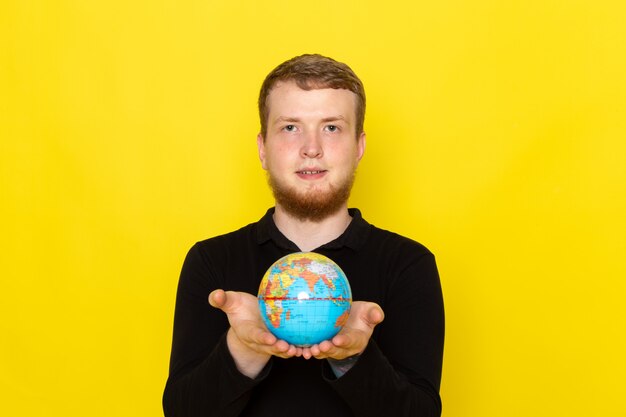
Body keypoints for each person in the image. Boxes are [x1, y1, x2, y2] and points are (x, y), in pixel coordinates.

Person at [163, 54, 445, 417]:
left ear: (359, 147)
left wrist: (355, 358)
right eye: (291, 127)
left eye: (331, 127)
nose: (311, 148)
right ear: (263, 148)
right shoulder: (212, 262)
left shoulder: (408, 265)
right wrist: (242, 350)